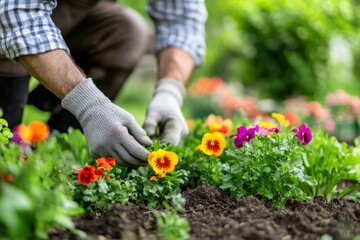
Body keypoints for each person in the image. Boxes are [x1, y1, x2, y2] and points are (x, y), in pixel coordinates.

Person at [0, 0, 207, 167]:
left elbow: (183, 20)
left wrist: (169, 92)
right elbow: (15, 14)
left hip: (60, 16)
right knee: (5, 149)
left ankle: (54, 149)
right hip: (11, 14)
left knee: (126, 31)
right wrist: (89, 105)